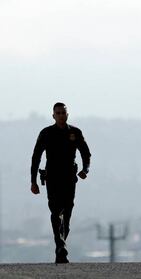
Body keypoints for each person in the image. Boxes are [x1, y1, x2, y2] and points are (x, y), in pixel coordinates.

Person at [30, 102, 91, 263]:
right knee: (56, 212)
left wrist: (85, 170)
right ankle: (61, 246)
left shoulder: (75, 133)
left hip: (69, 178)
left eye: (63, 113)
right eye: (58, 113)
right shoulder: (46, 133)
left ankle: (60, 245)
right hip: (52, 178)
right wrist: (33, 181)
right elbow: (36, 157)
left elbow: (86, 154)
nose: (61, 115)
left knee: (68, 214)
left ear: (67, 114)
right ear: (53, 116)